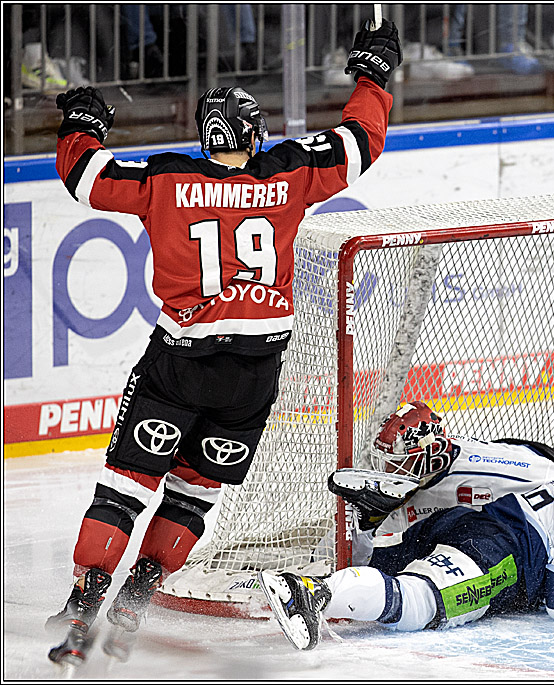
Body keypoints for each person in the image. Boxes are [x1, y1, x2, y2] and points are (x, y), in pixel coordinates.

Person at [45, 18, 402, 666]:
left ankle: (87, 593)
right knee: (191, 495)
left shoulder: (166, 179)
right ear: (255, 134)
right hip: (253, 379)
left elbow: (87, 177)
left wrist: (81, 121)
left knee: (124, 487)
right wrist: (373, 74)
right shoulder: (290, 174)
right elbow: (359, 143)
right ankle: (139, 591)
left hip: (177, 368)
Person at [260, 437, 554, 650]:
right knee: (421, 602)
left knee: (390, 567)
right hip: (498, 555)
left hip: (470, 525)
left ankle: (362, 542)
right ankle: (311, 594)